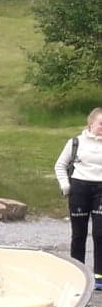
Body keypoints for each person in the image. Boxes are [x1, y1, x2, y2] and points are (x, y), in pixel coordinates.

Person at [55, 107, 102, 282]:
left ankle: (99, 276)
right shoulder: (76, 142)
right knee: (79, 233)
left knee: (100, 233)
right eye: (101, 124)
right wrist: (65, 186)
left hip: (101, 190)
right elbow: (60, 165)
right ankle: (77, 274)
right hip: (79, 188)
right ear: (91, 124)